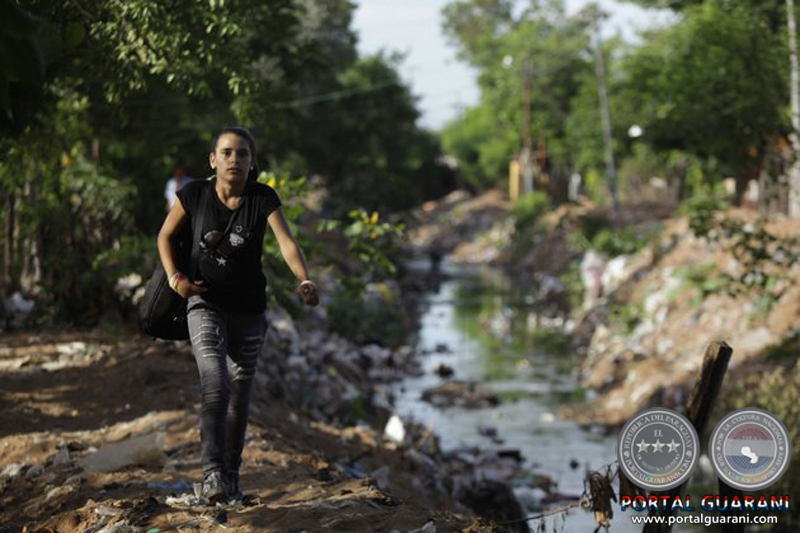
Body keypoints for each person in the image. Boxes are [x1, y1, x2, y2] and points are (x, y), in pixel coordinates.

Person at [157, 126, 320, 503]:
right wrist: (175, 279)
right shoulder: (194, 194)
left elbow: (286, 242)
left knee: (240, 392)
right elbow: (164, 235)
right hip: (204, 304)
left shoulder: (262, 198)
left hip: (250, 310)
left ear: (252, 162)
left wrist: (304, 278)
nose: (234, 160)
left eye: (242, 153)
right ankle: (212, 473)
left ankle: (230, 475)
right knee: (216, 383)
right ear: (213, 159)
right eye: (227, 153)